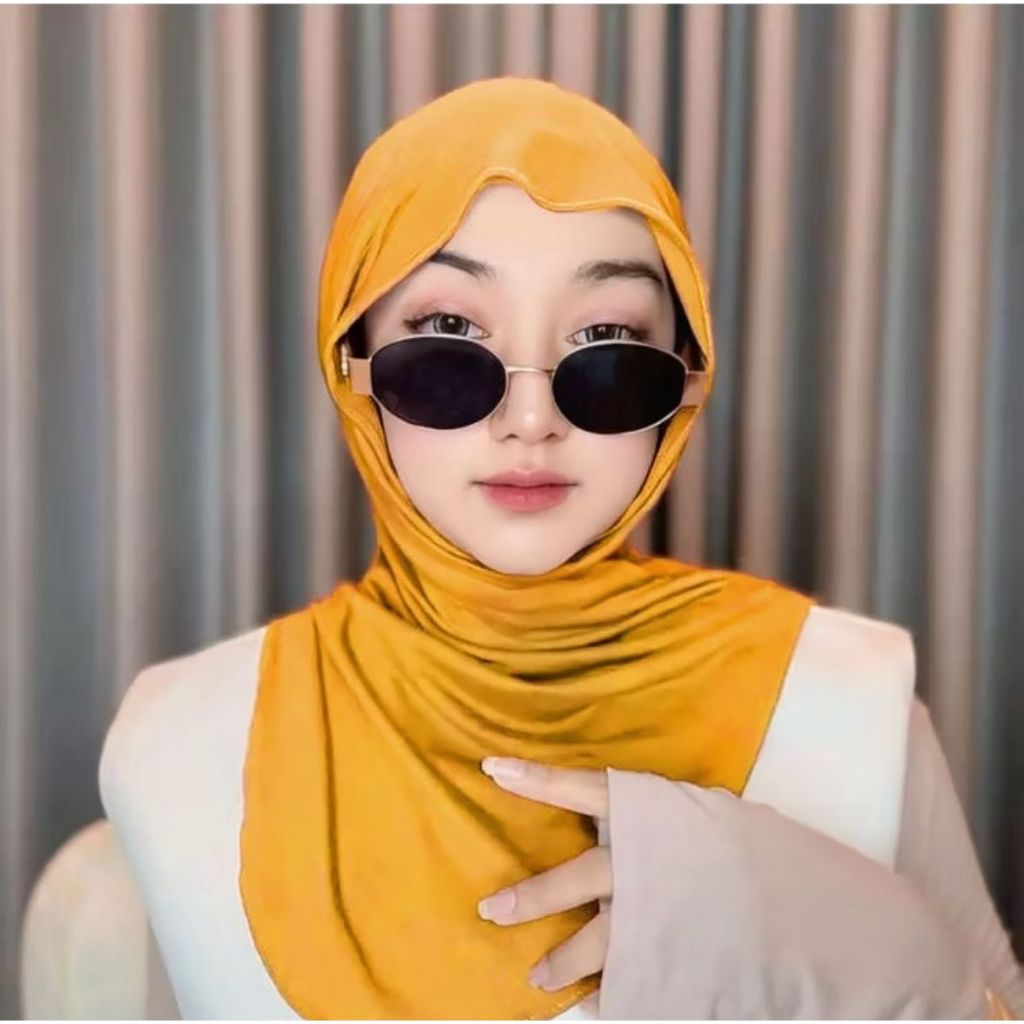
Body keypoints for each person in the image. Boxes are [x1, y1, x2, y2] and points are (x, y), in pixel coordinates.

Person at [98, 76, 1023, 1020]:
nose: (531, 418)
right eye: (449, 333)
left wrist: (856, 935)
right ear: (351, 361)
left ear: (687, 378)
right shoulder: (180, 742)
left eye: (607, 338)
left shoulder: (848, 703)